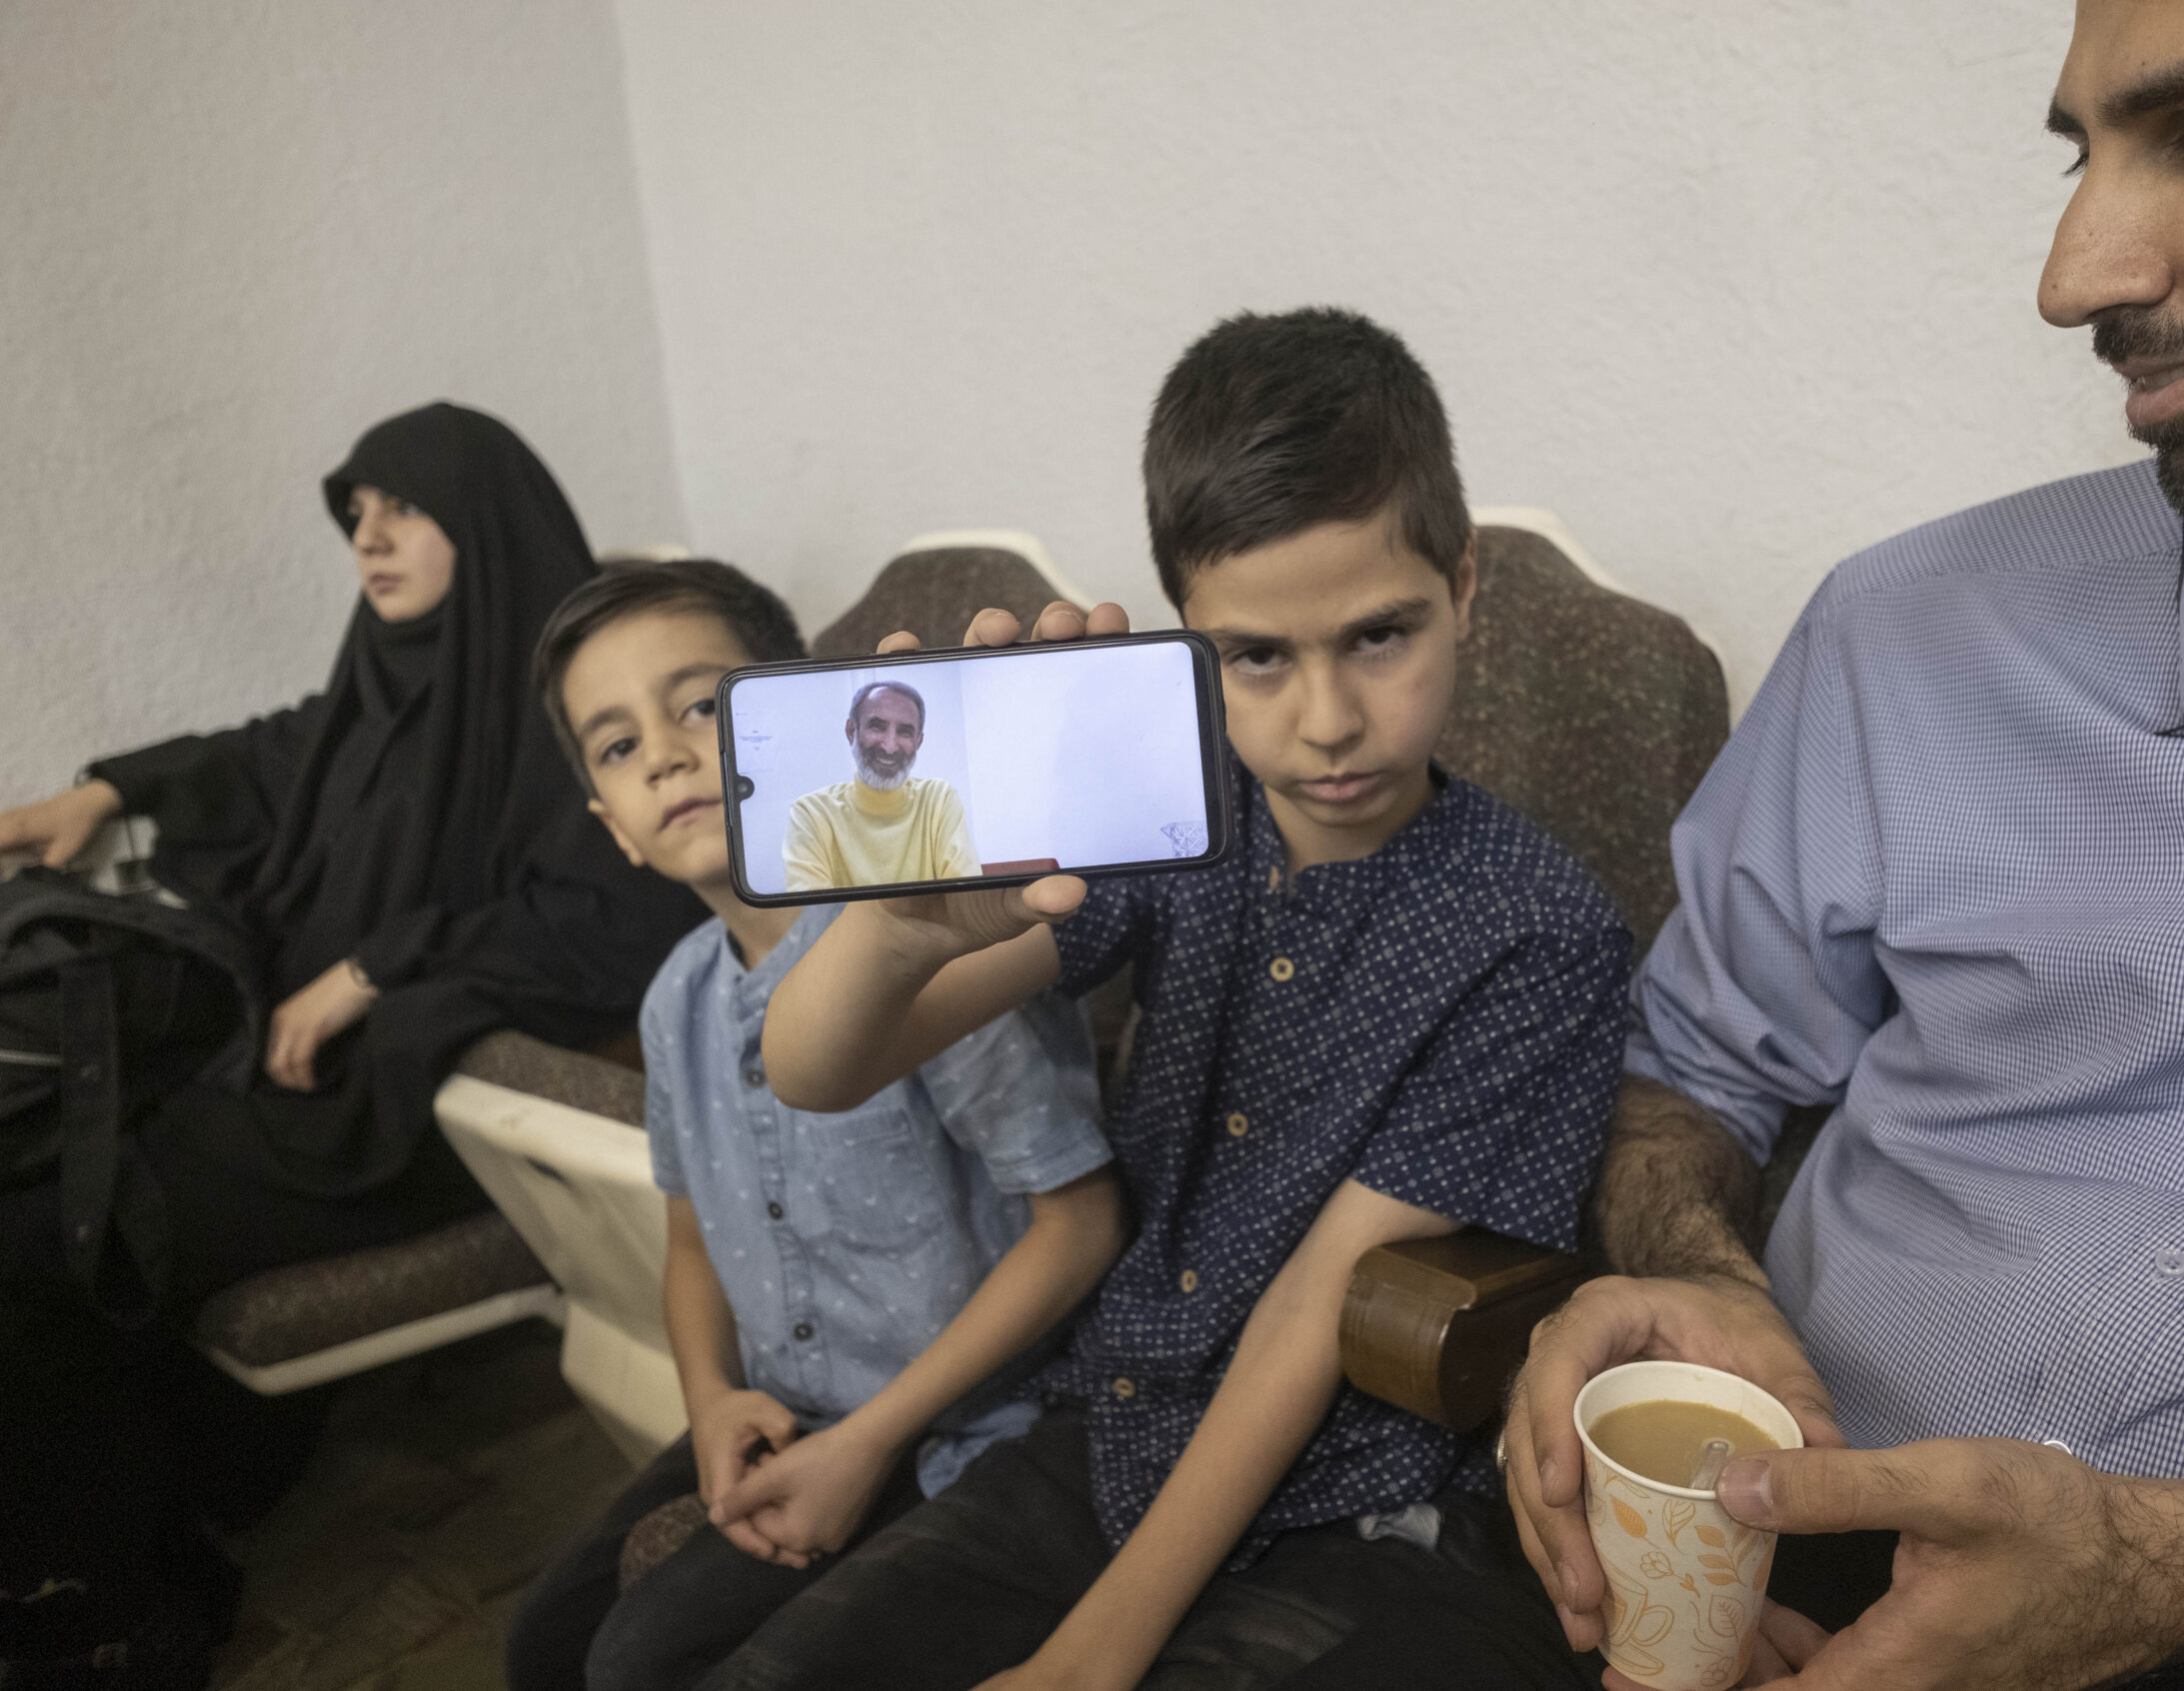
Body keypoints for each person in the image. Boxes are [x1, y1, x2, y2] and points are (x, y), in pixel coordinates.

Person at [1497, 0, 2184, 1687]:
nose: (2074, 276)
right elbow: (1686, 1074)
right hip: (1774, 1567)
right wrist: (1696, 1272)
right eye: (2080, 155)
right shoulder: (1915, 625)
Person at [698, 307, 1634, 1691]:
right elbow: (813, 1069)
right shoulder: (1165, 820)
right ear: (1186, 638)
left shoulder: (1539, 929)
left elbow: (1315, 1304)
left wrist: (1089, 1658)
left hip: (1344, 1494)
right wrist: (898, 933)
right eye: (1257, 655)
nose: (1327, 718)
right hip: (1110, 1420)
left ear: (1462, 583)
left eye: (1380, 635)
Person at [0, 404, 702, 1686]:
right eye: (356, 514)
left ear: (483, 518)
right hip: (288, 1068)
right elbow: (280, 751)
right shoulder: (388, 676)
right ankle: (163, 1512)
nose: (370, 538)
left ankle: (112, 1608)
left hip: (408, 1101)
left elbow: (610, 919)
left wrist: (372, 965)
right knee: (4, 1190)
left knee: (10, 1253)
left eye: (404, 507)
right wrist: (104, 790)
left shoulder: (575, 708)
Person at [504, 558, 1123, 1691]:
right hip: (795, 1407)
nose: (667, 755)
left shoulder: (919, 940)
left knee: (645, 1661)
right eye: (619, 745)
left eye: (702, 706)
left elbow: (1078, 1223)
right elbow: (689, 1243)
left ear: (808, 722)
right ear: (613, 826)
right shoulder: (674, 1000)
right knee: (543, 1644)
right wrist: (709, 1402)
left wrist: (870, 1440)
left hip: (970, 1423)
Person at [781, 679, 980, 889]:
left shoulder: (938, 800)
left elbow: (966, 896)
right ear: (851, 731)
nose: (890, 746)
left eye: (904, 732)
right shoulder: (812, 812)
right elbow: (813, 908)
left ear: (918, 742)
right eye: (877, 727)